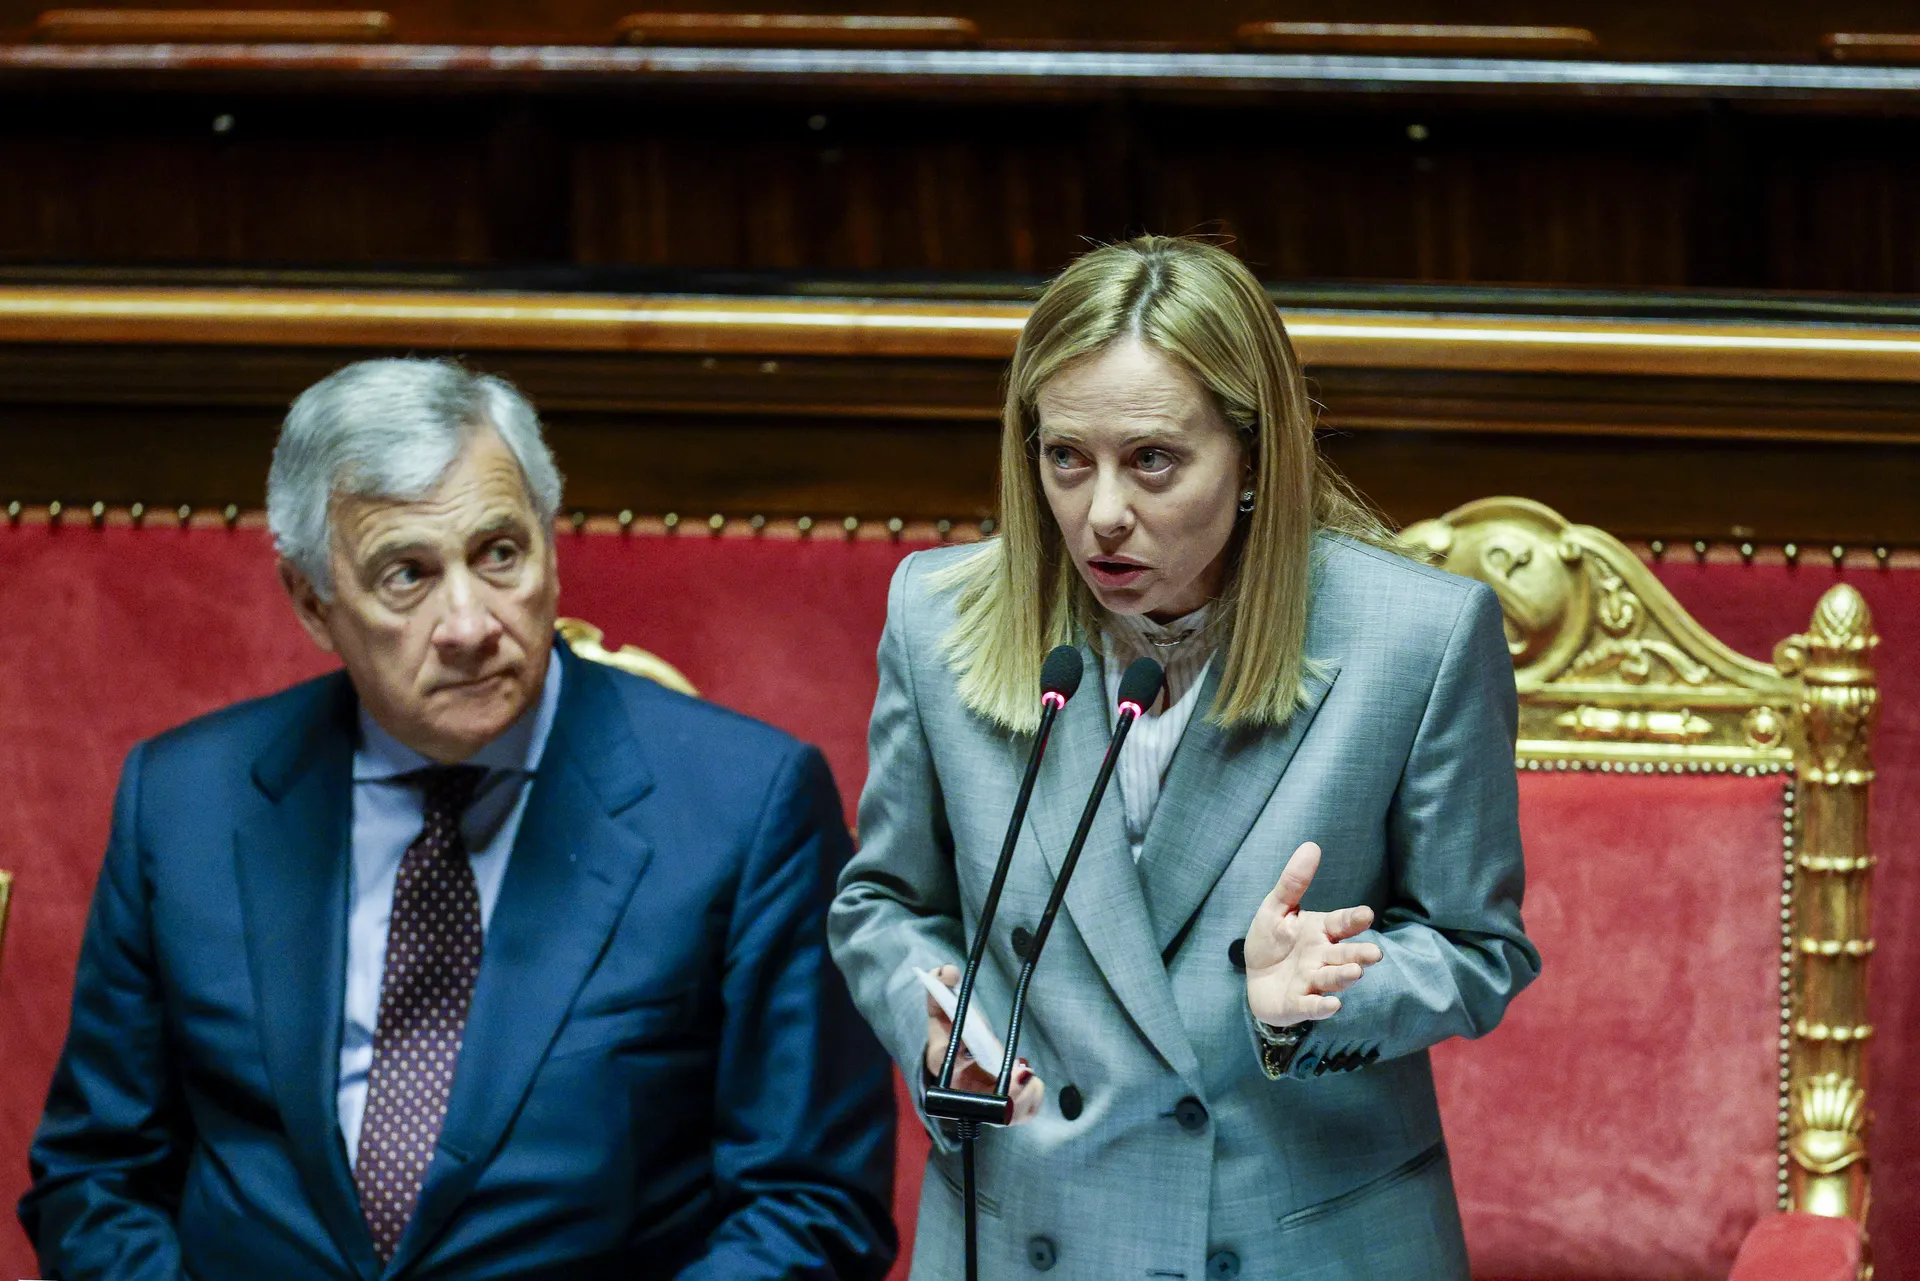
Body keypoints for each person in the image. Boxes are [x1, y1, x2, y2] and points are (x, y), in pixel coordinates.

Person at [21, 359, 897, 1280]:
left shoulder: (747, 807)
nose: (471, 624)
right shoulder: (184, 802)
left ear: (549, 547)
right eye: (408, 574)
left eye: (499, 553)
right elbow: (95, 1176)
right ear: (314, 602)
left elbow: (813, 1203)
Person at [829, 236, 1540, 1279]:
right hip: (1029, 1230)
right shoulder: (939, 619)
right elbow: (883, 903)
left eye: (1152, 460)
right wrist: (940, 1019)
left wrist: (1325, 990)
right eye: (1066, 458)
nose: (1102, 513)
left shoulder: (1415, 639)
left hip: (1291, 1242)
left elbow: (1480, 948)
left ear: (1251, 456)